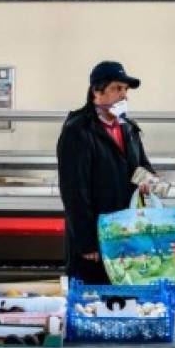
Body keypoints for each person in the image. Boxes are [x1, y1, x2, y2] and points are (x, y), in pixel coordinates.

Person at [57, 61, 155, 284]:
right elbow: (74, 191)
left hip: (125, 232)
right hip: (96, 240)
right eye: (117, 88)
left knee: (125, 298)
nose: (124, 96)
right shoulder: (78, 130)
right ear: (97, 91)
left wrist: (148, 180)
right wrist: (87, 242)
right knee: (94, 303)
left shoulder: (128, 128)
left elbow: (142, 166)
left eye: (126, 90)